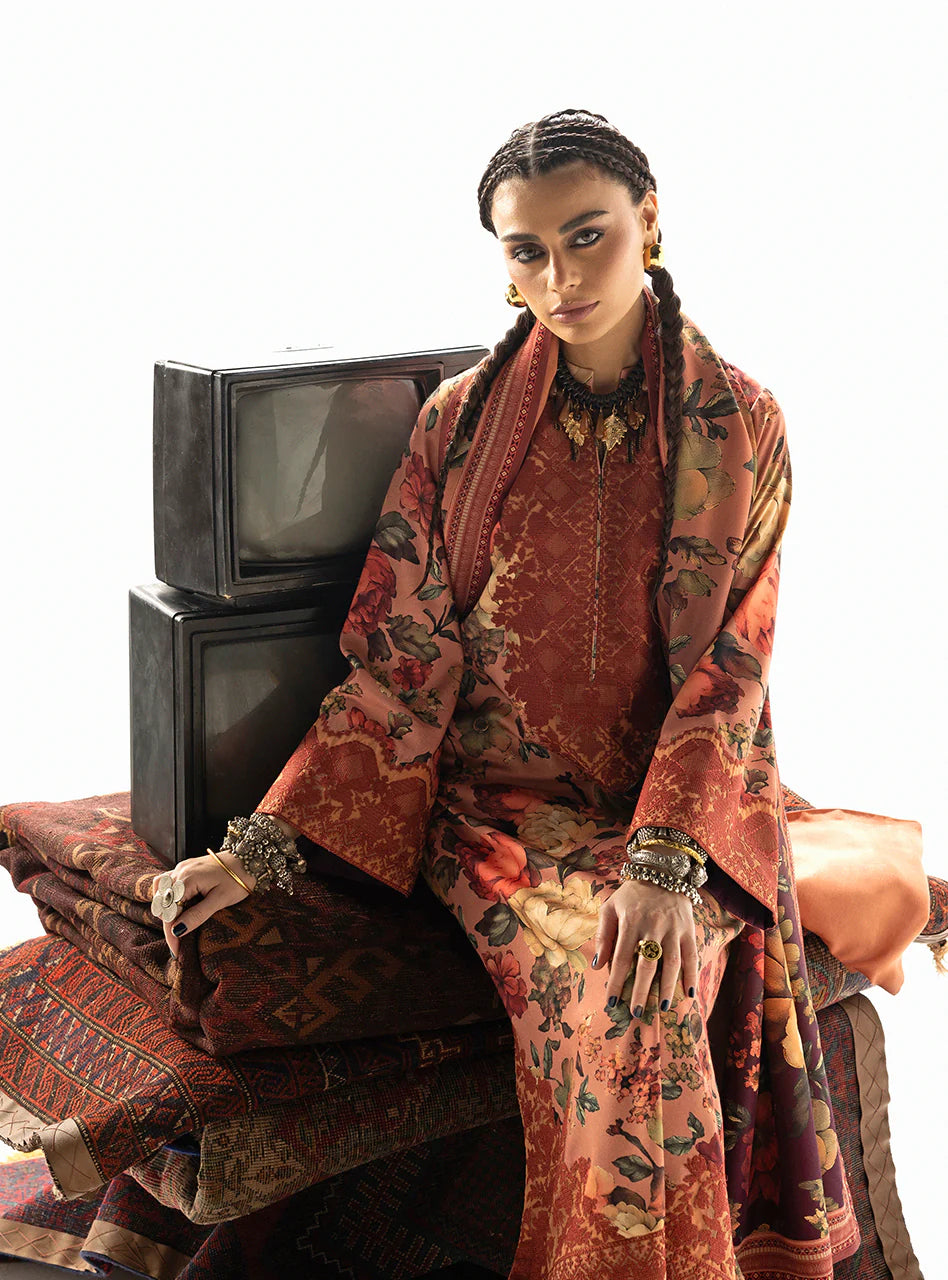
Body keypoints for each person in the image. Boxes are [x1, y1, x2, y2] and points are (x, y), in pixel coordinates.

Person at [150, 109, 860, 1279]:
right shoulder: (461, 424)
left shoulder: (739, 423)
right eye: (527, 250)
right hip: (498, 817)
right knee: (618, 1001)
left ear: (649, 223)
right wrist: (265, 845)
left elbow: (730, 668)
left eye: (587, 235)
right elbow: (405, 654)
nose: (560, 276)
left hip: (674, 808)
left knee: (655, 983)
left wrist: (665, 864)